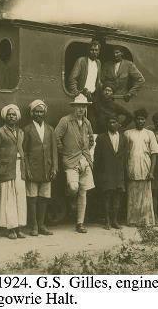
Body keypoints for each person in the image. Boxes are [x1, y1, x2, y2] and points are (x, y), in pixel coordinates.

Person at [54, 94, 95, 233]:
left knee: (83, 192)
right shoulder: (65, 121)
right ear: (74, 107)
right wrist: (64, 152)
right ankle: (70, 196)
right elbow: (56, 137)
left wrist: (86, 152)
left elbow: (91, 140)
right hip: (70, 160)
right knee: (73, 187)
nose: (81, 109)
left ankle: (80, 223)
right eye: (78, 106)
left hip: (84, 159)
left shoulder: (87, 123)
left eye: (83, 107)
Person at [22, 100, 58, 236]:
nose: (38, 114)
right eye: (36, 111)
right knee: (32, 198)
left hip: (47, 169)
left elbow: (54, 150)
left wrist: (54, 168)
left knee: (44, 197)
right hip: (33, 168)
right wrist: (27, 169)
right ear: (32, 113)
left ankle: (42, 225)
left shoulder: (50, 129)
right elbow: (24, 152)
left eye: (41, 111)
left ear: (44, 113)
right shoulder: (27, 129)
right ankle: (34, 226)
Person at [123, 108, 158, 227]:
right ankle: (133, 220)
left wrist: (151, 171)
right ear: (135, 120)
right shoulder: (128, 133)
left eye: (142, 119)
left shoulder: (150, 134)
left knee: (146, 195)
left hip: (145, 167)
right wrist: (126, 169)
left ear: (145, 120)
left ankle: (146, 220)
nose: (140, 121)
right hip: (132, 166)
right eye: (138, 119)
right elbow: (125, 154)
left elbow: (154, 153)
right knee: (133, 195)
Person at [0, 104, 27, 239]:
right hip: (6, 167)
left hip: (19, 167)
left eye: (13, 114)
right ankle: (10, 229)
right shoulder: (0, 132)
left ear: (17, 117)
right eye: (9, 114)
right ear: (5, 117)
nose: (11, 117)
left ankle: (19, 227)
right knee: (9, 198)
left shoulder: (21, 132)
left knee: (20, 197)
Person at [93, 115, 127, 230]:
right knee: (107, 197)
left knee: (117, 197)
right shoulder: (101, 138)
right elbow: (97, 157)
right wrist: (97, 173)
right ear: (107, 124)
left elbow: (125, 156)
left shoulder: (123, 138)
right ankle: (107, 220)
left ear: (118, 124)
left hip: (119, 172)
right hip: (106, 172)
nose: (113, 124)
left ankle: (115, 220)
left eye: (115, 122)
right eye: (110, 122)